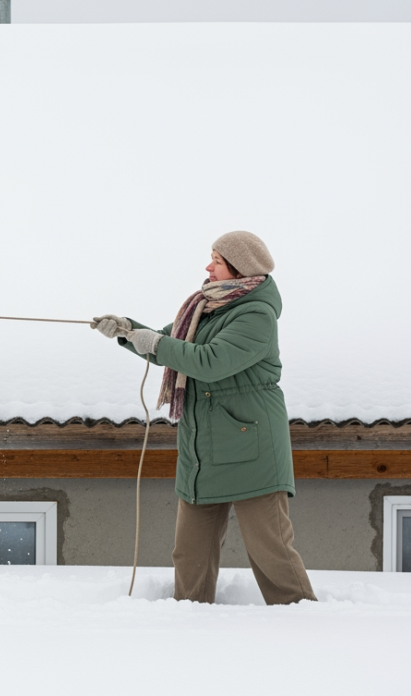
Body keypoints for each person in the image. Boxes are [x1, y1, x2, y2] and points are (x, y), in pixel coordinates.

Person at [91, 231, 316, 605]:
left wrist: (158, 345)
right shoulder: (206, 308)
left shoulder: (256, 315)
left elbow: (210, 362)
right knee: (189, 555)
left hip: (252, 448)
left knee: (271, 553)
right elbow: (166, 340)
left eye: (217, 260)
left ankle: (306, 626)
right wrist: (126, 329)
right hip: (203, 449)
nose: (207, 266)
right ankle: (189, 630)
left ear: (239, 270)